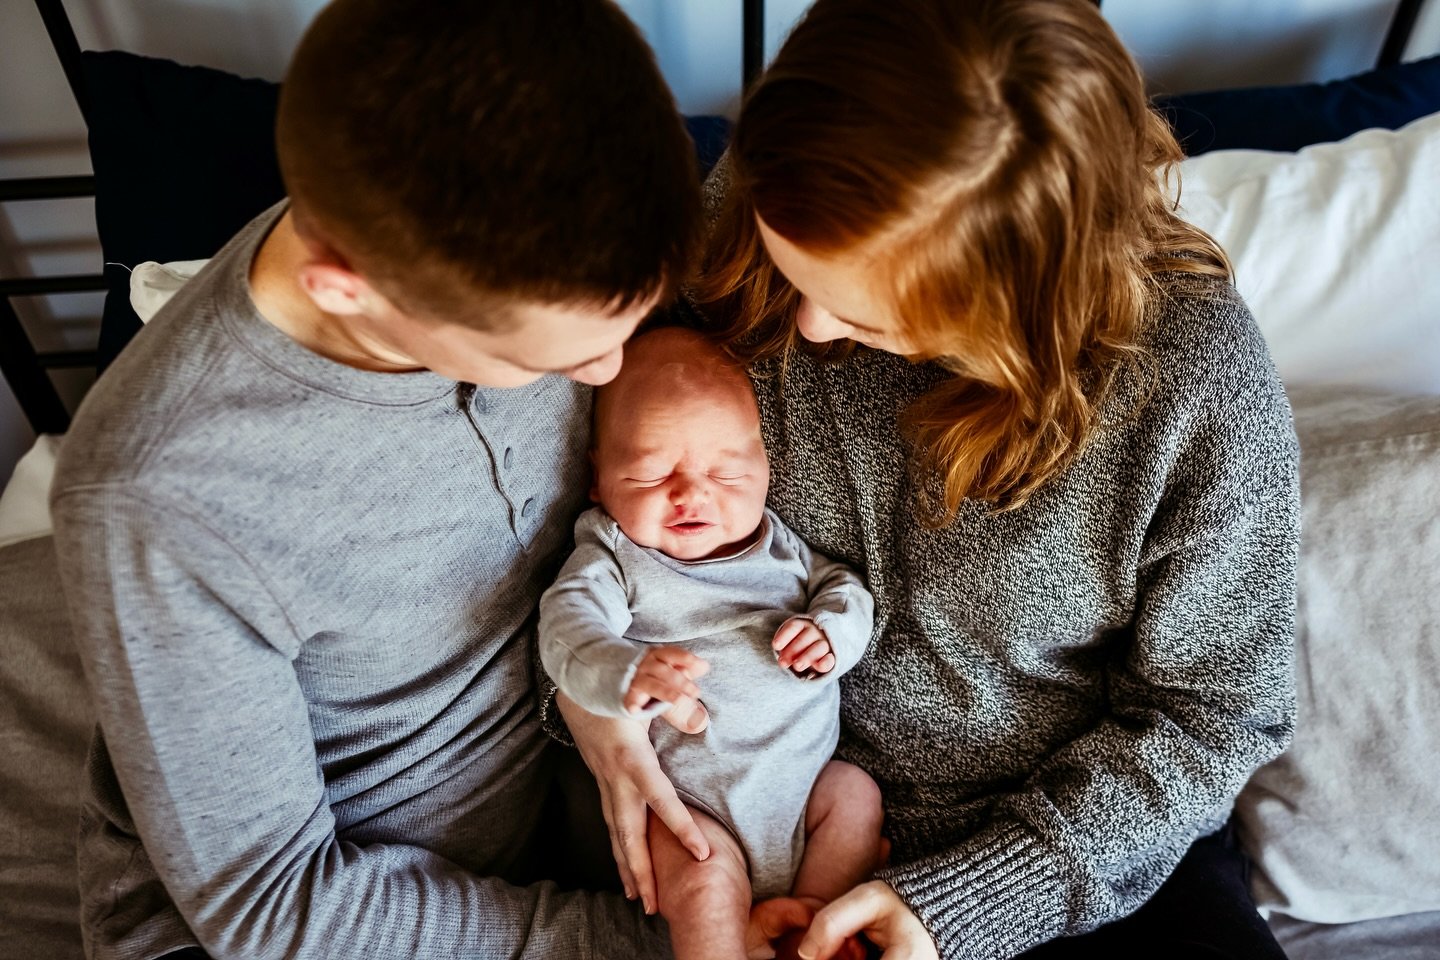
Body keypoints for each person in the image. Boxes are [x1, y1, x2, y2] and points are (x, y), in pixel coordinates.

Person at [555, 1, 1301, 958]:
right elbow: (576, 530)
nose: (809, 335)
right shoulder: (754, 215)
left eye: (869, 318)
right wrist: (587, 701)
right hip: (735, 803)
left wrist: (969, 903)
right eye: (797, 279)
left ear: (1026, 296)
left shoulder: (1195, 385)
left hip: (1060, 844)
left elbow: (1214, 717)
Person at [48, 1, 706, 958]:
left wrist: (586, 687)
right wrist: (647, 945)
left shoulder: (528, 225)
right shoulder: (158, 501)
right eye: (545, 361)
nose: (610, 376)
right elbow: (270, 910)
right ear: (344, 289)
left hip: (549, 795)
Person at [539, 327, 884, 960]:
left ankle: (811, 933)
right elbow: (565, 625)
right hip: (694, 807)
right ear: (598, 478)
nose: (691, 493)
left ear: (765, 469)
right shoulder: (614, 556)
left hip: (806, 790)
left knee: (857, 796)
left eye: (726, 473)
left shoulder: (783, 547)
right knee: (701, 883)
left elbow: (851, 593)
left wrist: (831, 633)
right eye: (648, 474)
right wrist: (623, 669)